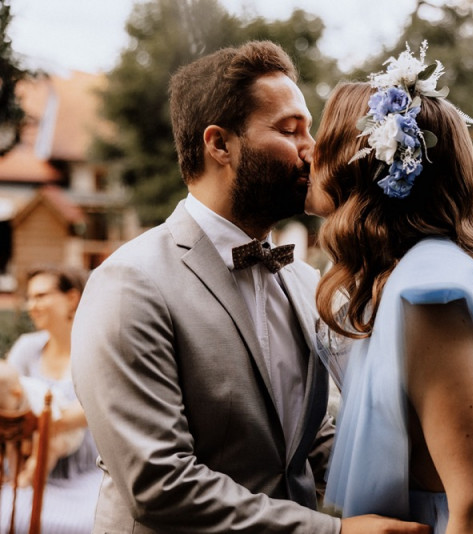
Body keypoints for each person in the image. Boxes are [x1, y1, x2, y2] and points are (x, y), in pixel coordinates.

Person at [72, 40, 429, 534]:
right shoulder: (129, 284)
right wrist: (335, 532)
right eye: (290, 130)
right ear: (219, 144)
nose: (314, 149)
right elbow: (157, 484)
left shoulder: (307, 283)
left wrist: (433, 486)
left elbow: (315, 441)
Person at [306, 43, 473, 533]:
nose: (308, 152)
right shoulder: (419, 270)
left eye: (321, 140)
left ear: (359, 164)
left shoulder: (424, 292)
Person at [4, 264, 101, 532]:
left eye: (41, 296)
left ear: (72, 298)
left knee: (86, 524)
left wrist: (41, 422)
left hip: (86, 474)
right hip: (25, 471)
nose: (31, 305)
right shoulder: (27, 348)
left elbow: (96, 409)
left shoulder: (96, 352)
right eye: (30, 297)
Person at [0, 359, 84, 487]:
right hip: (33, 429)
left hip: (63, 433)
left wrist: (34, 454)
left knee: (46, 450)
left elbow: (49, 425)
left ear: (16, 394)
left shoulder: (37, 396)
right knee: (13, 442)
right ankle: (14, 476)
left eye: (2, 407)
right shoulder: (10, 390)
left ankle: (33, 477)